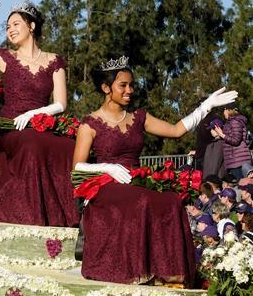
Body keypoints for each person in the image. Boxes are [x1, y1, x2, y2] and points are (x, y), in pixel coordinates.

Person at [72, 56, 237, 286]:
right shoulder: (90, 124)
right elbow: (77, 168)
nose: (129, 90)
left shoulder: (139, 117)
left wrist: (206, 106)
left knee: (170, 200)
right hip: (106, 185)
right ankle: (136, 268)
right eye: (123, 85)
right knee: (141, 201)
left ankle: (166, 271)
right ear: (106, 88)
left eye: (131, 85)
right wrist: (107, 167)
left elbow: (176, 130)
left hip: (136, 180)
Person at [0, 0, 78, 227]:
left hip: (39, 124)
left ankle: (66, 213)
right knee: (31, 144)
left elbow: (60, 104)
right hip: (11, 128)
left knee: (69, 148)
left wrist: (33, 115)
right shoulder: (5, 57)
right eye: (7, 26)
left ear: (31, 26)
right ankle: (30, 213)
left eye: (16, 24)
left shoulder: (54, 61)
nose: (10, 29)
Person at [213, 104, 252, 180]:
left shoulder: (235, 121)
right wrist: (219, 134)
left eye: (224, 110)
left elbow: (236, 140)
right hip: (234, 161)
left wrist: (221, 134)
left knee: (241, 186)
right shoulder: (230, 122)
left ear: (228, 110)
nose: (223, 112)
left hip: (238, 161)